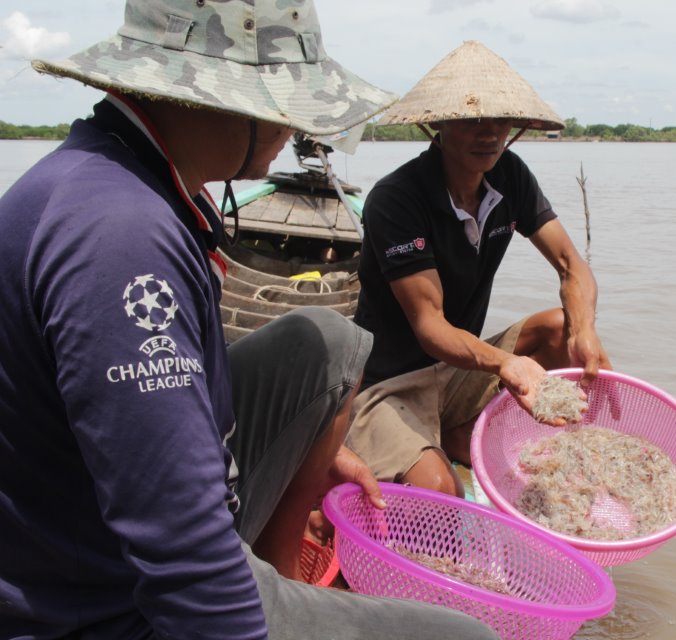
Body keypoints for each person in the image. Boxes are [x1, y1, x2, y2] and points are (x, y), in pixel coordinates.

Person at [0, 2, 498, 639]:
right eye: (281, 105)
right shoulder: (121, 239)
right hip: (109, 604)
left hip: (85, 530)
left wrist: (307, 455)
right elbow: (185, 561)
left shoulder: (117, 175)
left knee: (326, 341)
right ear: (221, 101)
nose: (291, 129)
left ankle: (281, 571)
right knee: (468, 636)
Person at [346, 41, 611, 498]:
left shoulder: (510, 176)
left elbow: (571, 265)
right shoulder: (396, 199)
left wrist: (582, 330)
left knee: (556, 328)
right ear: (439, 124)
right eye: (471, 120)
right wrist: (505, 363)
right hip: (391, 380)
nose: (489, 134)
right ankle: (423, 445)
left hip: (456, 371)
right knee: (442, 493)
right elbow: (430, 326)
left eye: (500, 120)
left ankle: (454, 431)